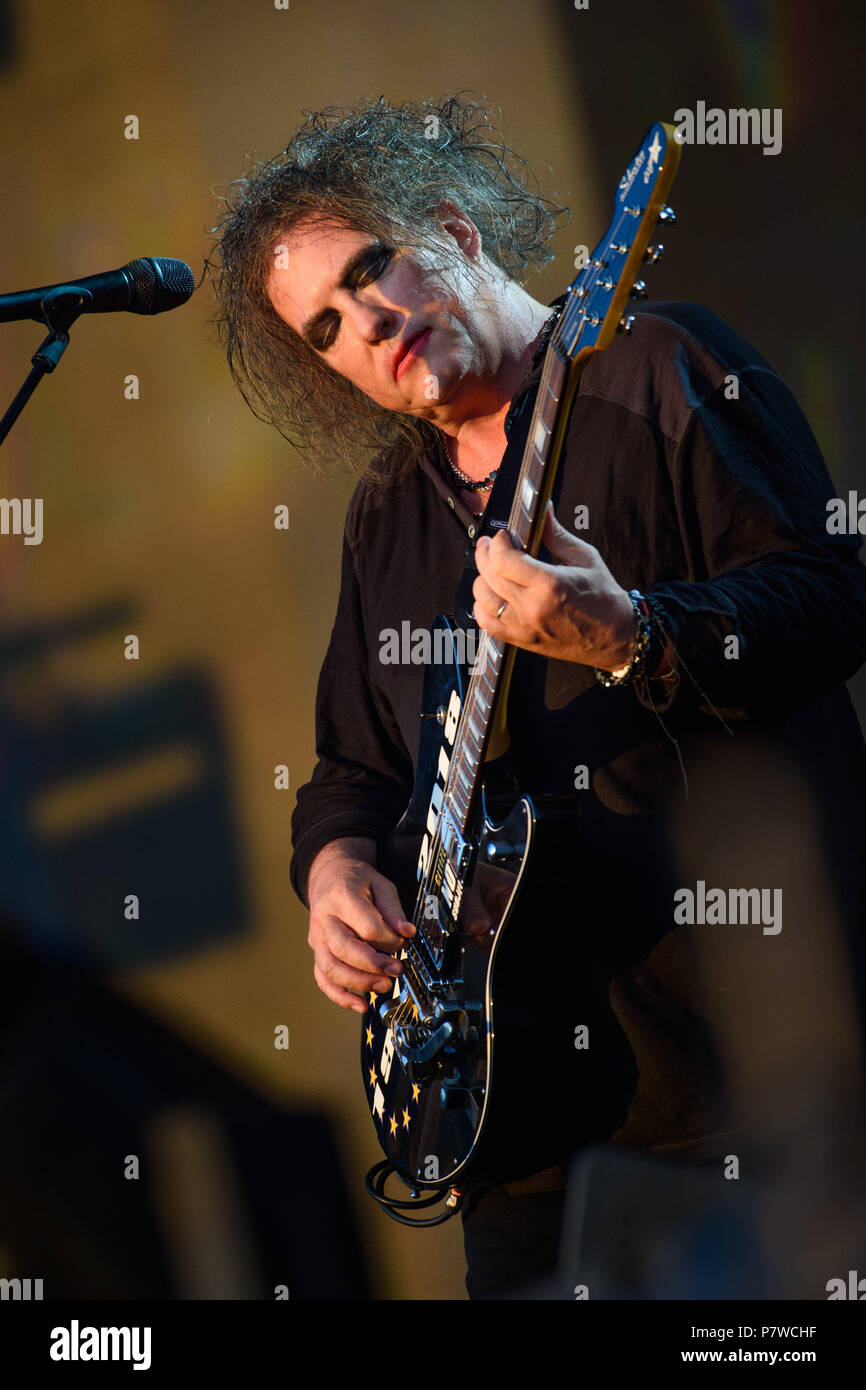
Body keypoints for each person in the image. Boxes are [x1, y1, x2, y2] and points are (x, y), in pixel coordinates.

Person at [207, 95, 866, 1299]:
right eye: (326, 327)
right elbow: (352, 767)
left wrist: (632, 635)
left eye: (372, 271)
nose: (366, 324)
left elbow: (833, 598)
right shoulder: (386, 513)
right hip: (509, 1125)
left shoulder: (662, 369)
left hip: (736, 1075)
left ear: (453, 229)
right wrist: (333, 866)